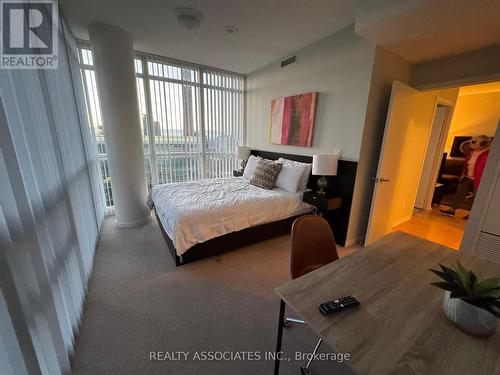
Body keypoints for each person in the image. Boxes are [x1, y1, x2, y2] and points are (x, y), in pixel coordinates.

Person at [440, 135, 492, 217]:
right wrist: (463, 175)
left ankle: (473, 215)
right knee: (459, 193)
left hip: (479, 180)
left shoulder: (489, 154)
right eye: (471, 140)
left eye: (474, 141)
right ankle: (452, 210)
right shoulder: (470, 152)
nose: (471, 143)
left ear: (483, 144)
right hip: (467, 177)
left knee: (477, 197)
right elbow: (467, 164)